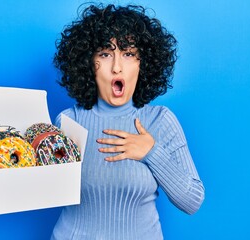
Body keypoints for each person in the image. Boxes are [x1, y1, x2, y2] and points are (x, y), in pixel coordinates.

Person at [51, 3, 205, 240]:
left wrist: (151, 152)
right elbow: (45, 190)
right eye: (105, 54)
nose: (116, 67)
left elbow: (192, 200)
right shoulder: (68, 121)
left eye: (128, 54)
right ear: (89, 63)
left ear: (142, 64)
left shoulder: (160, 120)